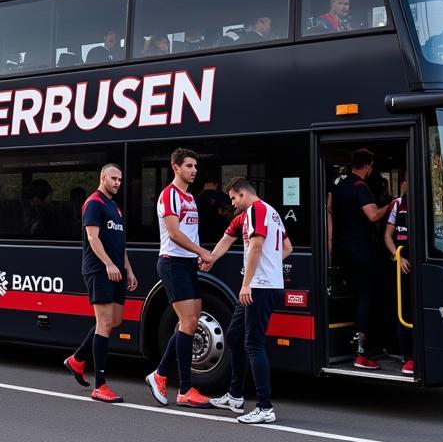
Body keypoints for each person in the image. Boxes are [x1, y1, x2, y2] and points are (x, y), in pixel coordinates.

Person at [206, 178, 293, 424]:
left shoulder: (256, 211)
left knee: (253, 343)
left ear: (243, 194)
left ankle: (265, 407)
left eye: (233, 198)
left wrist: (248, 282)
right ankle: (235, 396)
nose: (232, 203)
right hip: (265, 284)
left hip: (259, 287)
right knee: (234, 336)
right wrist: (210, 258)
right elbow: (287, 247)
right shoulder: (270, 213)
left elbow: (255, 248)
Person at [144, 148, 216, 407]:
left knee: (192, 321)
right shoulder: (169, 195)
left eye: (195, 166)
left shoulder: (189, 197)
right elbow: (174, 234)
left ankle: (160, 374)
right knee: (187, 321)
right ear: (176, 167)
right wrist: (203, 252)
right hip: (172, 264)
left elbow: (189, 233)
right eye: (188, 166)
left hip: (187, 263)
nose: (194, 170)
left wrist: (196, 256)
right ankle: (184, 388)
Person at [64, 163, 138, 403]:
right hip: (99, 270)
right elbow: (92, 237)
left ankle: (77, 359)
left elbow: (119, 243)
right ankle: (100, 385)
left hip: (116, 270)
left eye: (120, 179)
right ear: (102, 177)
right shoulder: (93, 203)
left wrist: (128, 269)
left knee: (113, 321)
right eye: (113, 178)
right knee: (104, 323)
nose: (117, 182)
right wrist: (108, 264)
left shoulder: (114, 207)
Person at [327, 148, 392, 369]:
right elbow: (373, 215)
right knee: (366, 296)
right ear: (369, 165)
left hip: (340, 249)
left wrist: (329, 242)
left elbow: (328, 210)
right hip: (361, 249)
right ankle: (361, 351)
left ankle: (354, 343)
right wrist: (393, 205)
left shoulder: (338, 186)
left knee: (353, 295)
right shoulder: (360, 186)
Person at [384, 177, 413, 376]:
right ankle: (407, 356)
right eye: (404, 180)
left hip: (420, 264)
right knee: (404, 310)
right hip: (402, 266)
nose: (405, 183)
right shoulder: (397, 205)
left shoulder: (427, 200)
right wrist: (398, 257)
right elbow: (387, 235)